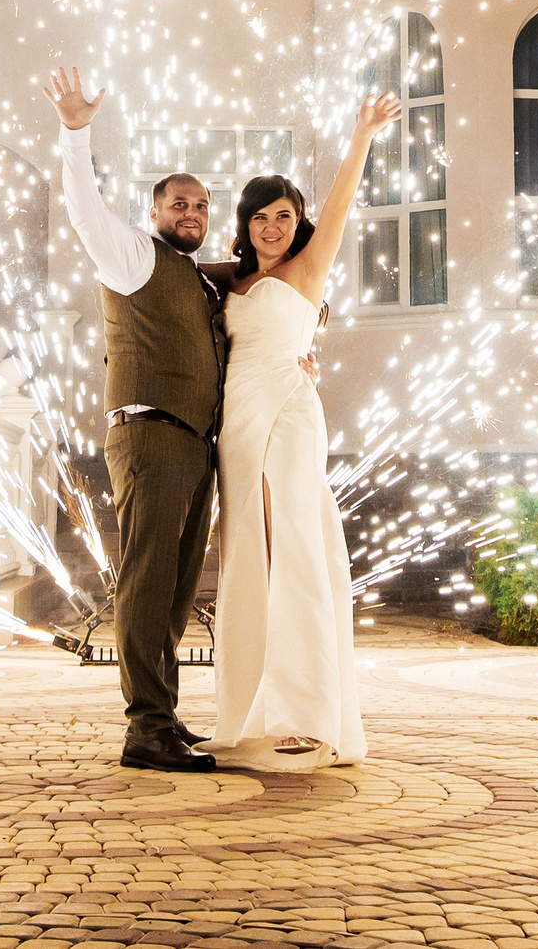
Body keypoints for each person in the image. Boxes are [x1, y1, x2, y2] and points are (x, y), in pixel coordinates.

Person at [203, 91, 401, 770]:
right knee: (247, 559)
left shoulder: (308, 268)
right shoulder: (228, 281)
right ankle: (248, 710)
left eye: (283, 216)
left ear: (298, 221)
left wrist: (363, 132)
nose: (271, 227)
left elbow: (341, 201)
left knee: (294, 547)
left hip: (288, 410)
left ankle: (307, 713)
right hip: (237, 426)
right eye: (259, 216)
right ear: (245, 223)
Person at [41, 66, 227, 773]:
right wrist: (75, 133)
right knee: (148, 582)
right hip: (150, 434)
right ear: (154, 212)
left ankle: (164, 716)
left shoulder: (196, 277)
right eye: (180, 203)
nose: (192, 213)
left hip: (194, 444)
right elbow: (84, 212)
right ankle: (145, 727)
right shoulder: (133, 257)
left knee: (176, 589)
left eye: (201, 205)